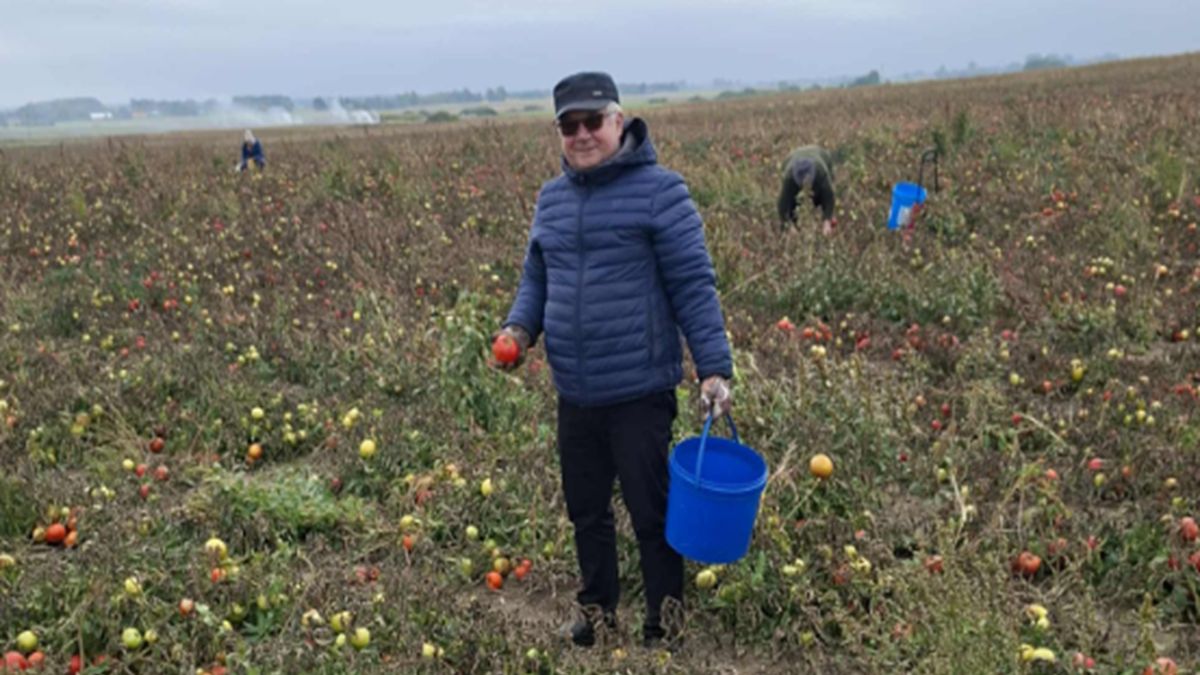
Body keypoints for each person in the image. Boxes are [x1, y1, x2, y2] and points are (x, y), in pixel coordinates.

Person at [492, 71, 733, 650]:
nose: (581, 134)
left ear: (619, 122)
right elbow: (537, 277)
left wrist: (713, 366)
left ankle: (664, 622)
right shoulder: (552, 199)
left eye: (592, 121)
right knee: (587, 512)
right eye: (568, 125)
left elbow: (693, 284)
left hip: (638, 389)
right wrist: (519, 329)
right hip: (575, 390)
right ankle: (597, 613)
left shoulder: (661, 192)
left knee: (652, 513)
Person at [778, 145, 835, 235]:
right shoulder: (789, 177)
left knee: (823, 199)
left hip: (820, 155)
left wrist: (827, 221)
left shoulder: (820, 171)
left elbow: (829, 197)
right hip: (791, 158)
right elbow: (783, 206)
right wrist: (789, 226)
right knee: (791, 211)